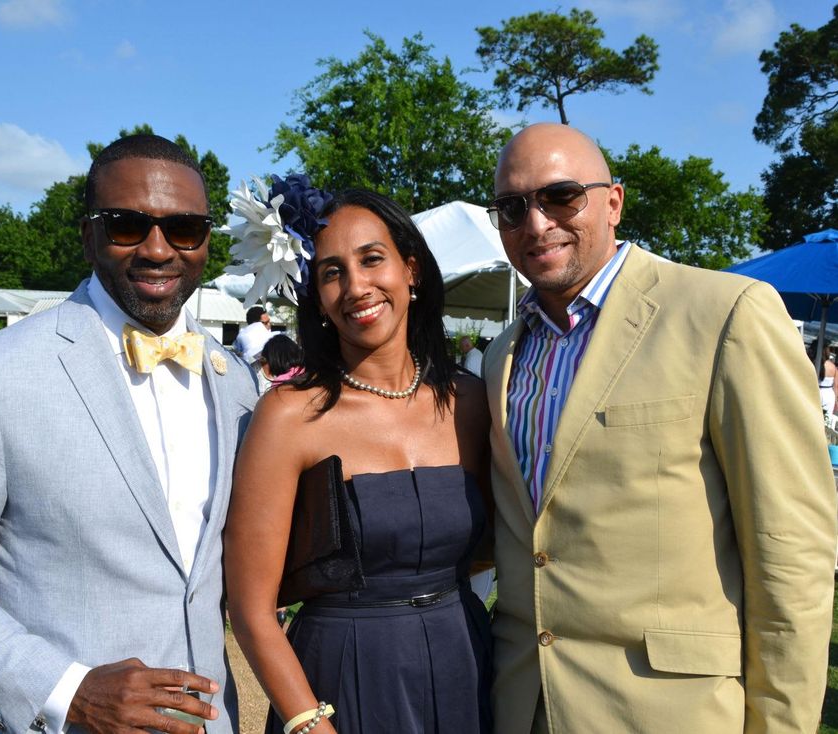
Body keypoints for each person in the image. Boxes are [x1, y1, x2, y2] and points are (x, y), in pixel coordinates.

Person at [0, 134, 258, 734]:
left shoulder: (235, 382)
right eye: (127, 225)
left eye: (185, 228)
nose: (159, 249)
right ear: (87, 236)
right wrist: (66, 690)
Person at [482, 122, 836, 733]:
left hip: (671, 712)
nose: (536, 223)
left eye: (561, 196)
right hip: (523, 705)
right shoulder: (503, 355)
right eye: (512, 208)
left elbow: (790, 552)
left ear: (613, 202)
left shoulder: (725, 314)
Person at [225, 188, 493, 733]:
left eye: (372, 259)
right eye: (332, 273)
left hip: (467, 664)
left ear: (411, 269)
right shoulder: (289, 415)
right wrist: (308, 722)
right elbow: (251, 609)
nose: (356, 287)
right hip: (340, 680)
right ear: (317, 298)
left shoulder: (471, 401)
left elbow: (495, 546)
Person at [809, 338, 837, 415]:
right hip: (828, 396)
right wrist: (836, 401)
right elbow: (836, 386)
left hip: (812, 392)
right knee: (826, 419)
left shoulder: (810, 363)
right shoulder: (832, 366)